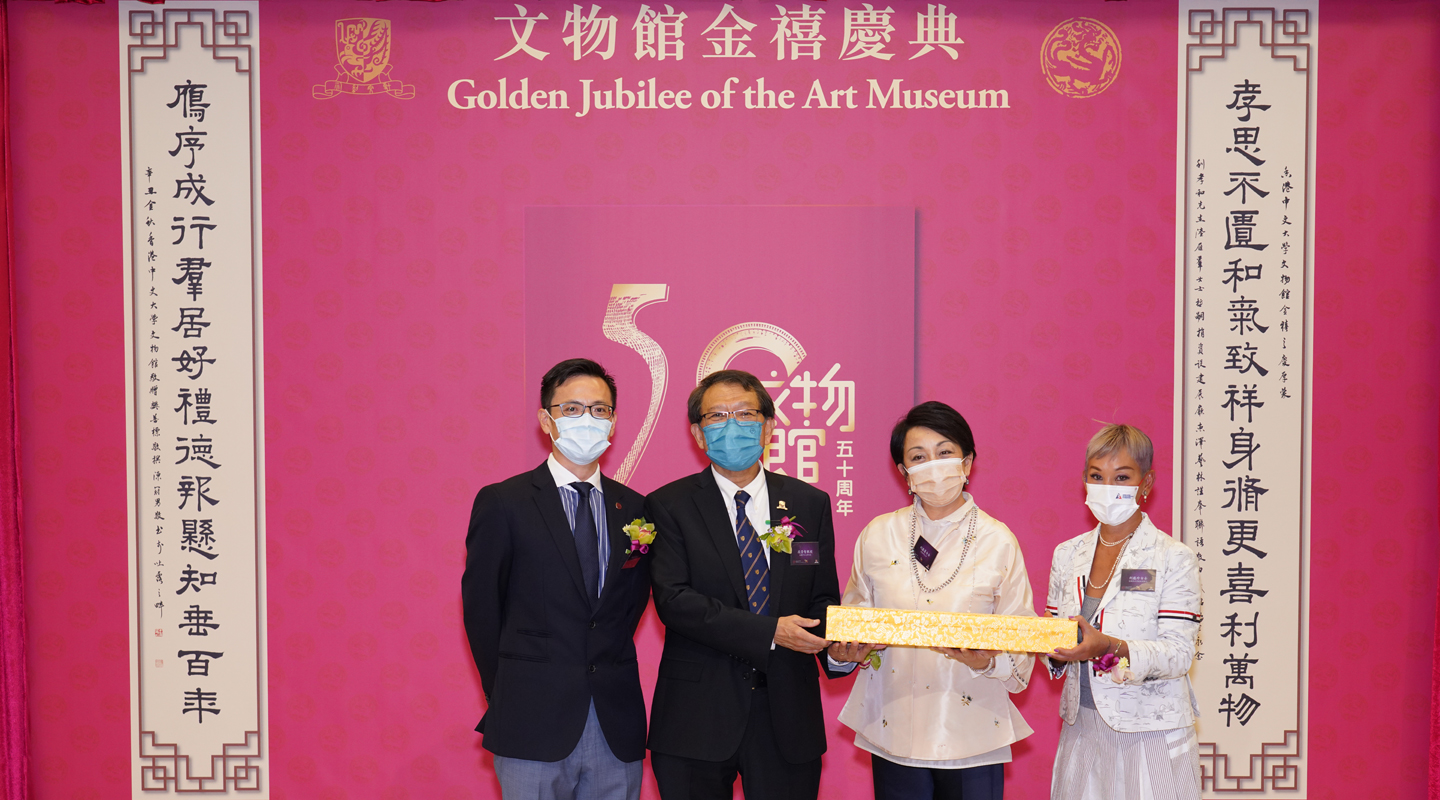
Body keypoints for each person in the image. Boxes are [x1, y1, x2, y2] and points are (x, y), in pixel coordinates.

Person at [645, 369, 845, 800]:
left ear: (768, 425)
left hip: (788, 716)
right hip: (695, 718)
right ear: (698, 434)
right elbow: (675, 600)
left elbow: (822, 597)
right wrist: (770, 632)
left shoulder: (809, 503)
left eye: (744, 413)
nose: (731, 425)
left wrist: (841, 650)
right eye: (717, 416)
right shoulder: (668, 505)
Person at [462, 358, 652, 800]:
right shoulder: (504, 502)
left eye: (599, 410)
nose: (587, 419)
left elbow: (630, 606)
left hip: (614, 721)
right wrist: (511, 690)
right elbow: (482, 612)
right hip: (531, 719)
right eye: (572, 409)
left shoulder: (637, 508)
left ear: (614, 421)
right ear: (546, 420)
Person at [828, 401, 1036, 800]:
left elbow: (1021, 637)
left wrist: (989, 659)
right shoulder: (878, 534)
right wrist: (846, 651)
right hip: (892, 724)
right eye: (918, 457)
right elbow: (853, 621)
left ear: (968, 462)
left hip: (973, 728)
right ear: (904, 473)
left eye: (945, 453)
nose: (933, 467)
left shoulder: (998, 541)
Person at [1044, 424, 1203, 800]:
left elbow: (1179, 653)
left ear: (1145, 483)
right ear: (1084, 480)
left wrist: (1108, 646)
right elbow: (1053, 633)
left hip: (1152, 729)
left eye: (1122, 476)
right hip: (1081, 727)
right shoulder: (1067, 554)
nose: (1107, 486)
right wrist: (1047, 649)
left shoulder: (1172, 557)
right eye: (1097, 476)